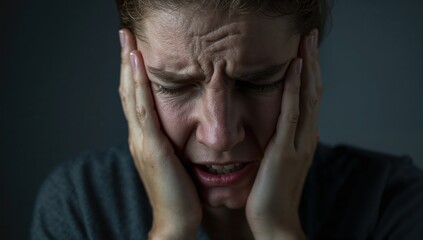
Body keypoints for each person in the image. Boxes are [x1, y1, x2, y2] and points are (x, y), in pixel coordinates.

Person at [30, 0, 423, 239]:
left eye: (259, 82)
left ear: (310, 72)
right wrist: (171, 232)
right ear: (131, 79)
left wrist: (278, 230)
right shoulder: (80, 206)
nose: (219, 135)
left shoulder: (387, 203)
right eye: (174, 86)